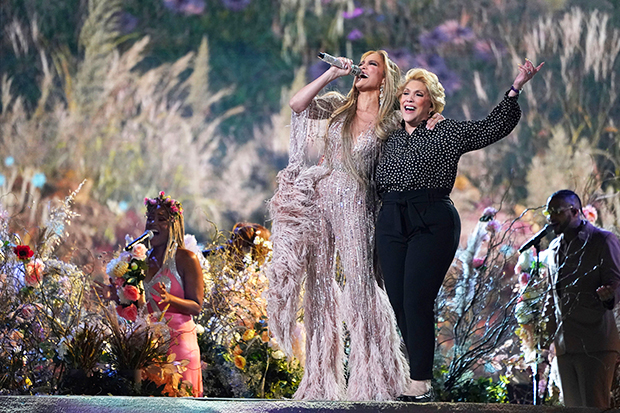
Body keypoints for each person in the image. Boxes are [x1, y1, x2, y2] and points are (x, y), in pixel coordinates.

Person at [266, 50, 441, 401]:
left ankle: (374, 378)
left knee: (360, 286)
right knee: (319, 289)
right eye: (361, 61)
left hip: (357, 204)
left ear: (385, 77)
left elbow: (421, 118)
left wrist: (434, 118)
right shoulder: (337, 106)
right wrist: (331, 74)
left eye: (371, 64)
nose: (362, 67)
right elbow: (298, 104)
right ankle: (320, 381)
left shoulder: (391, 119)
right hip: (320, 198)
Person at [375, 58, 543, 401]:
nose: (409, 98)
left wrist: (515, 88)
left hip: (432, 218)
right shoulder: (388, 137)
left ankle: (419, 379)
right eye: (405, 93)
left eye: (418, 95)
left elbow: (489, 128)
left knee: (415, 298)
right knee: (398, 302)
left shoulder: (445, 130)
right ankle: (414, 370)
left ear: (430, 104)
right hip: (391, 217)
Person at [96, 192, 205, 397]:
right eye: (150, 219)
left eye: (161, 219)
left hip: (180, 344)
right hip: (147, 344)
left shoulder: (186, 258)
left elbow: (197, 306)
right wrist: (115, 296)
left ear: (173, 225)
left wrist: (171, 299)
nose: (152, 223)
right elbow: (137, 305)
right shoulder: (140, 260)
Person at [542, 189, 620, 408]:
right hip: (566, 346)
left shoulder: (602, 240)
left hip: (595, 342)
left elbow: (616, 282)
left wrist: (609, 295)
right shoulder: (554, 248)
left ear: (575, 211)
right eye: (548, 212)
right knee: (572, 408)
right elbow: (551, 296)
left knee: (594, 407)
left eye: (556, 211)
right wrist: (545, 342)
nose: (550, 218)